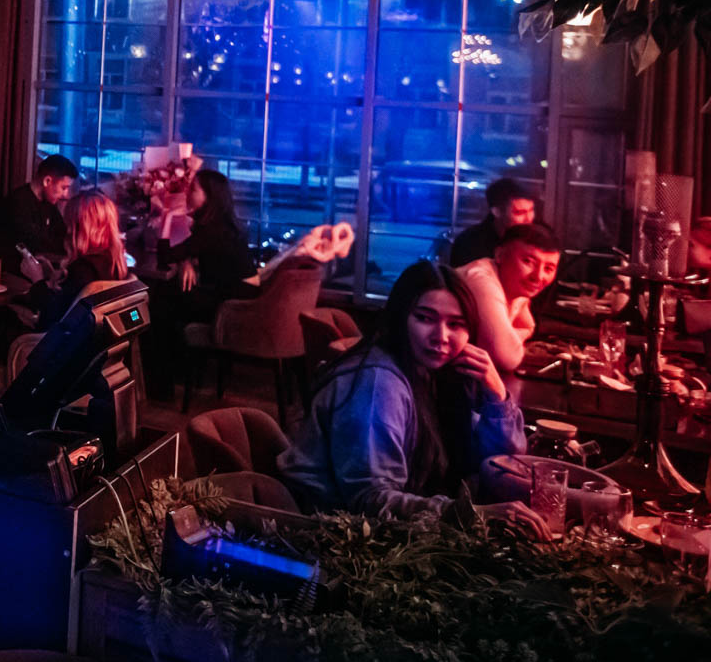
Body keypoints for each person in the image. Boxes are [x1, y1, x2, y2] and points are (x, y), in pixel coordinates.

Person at [278, 261, 546, 536]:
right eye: (425, 318)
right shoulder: (378, 384)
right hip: (329, 538)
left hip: (397, 532)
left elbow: (502, 463)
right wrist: (468, 515)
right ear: (399, 318)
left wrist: (497, 394)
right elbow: (370, 500)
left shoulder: (441, 375)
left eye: (456, 324)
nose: (441, 337)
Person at [453, 223, 562, 373]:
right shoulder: (481, 280)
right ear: (500, 255)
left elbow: (529, 327)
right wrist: (512, 339)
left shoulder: (515, 284)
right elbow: (506, 358)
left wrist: (511, 338)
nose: (538, 276)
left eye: (548, 269)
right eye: (528, 261)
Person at [19, 191, 129, 328]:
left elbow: (52, 318)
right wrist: (53, 275)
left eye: (69, 223)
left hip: (60, 340)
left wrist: (37, 280)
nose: (67, 230)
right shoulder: (114, 262)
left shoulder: (83, 269)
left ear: (78, 227)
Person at [160, 169, 260, 317]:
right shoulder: (220, 223)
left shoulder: (212, 230)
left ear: (209, 197)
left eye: (193, 189)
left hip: (236, 301)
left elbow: (164, 257)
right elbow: (195, 250)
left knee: (166, 297)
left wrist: (168, 216)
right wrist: (186, 260)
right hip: (240, 292)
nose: (187, 192)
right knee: (173, 292)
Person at [0, 155, 76, 264]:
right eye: (64, 188)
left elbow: (62, 235)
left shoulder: (49, 203)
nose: (66, 195)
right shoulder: (18, 202)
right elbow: (34, 246)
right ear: (47, 181)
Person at [448, 177, 538, 268]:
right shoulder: (469, 244)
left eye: (531, 210)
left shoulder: (536, 238)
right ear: (497, 212)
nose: (528, 219)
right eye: (519, 213)